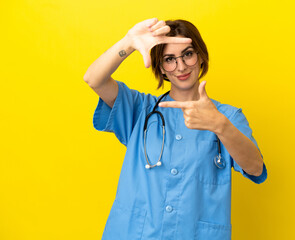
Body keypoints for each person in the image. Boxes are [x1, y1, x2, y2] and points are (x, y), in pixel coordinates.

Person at [84, 18, 267, 240]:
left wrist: (220, 126)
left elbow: (256, 168)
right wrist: (129, 42)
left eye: (188, 54)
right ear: (161, 68)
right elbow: (94, 79)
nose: (180, 67)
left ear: (200, 56)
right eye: (169, 59)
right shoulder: (140, 109)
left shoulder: (228, 117)